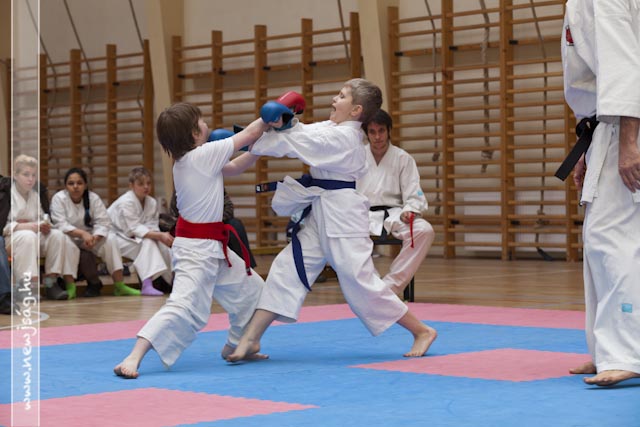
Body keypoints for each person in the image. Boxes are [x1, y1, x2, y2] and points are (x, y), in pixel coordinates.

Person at [227, 79, 437, 362]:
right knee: (287, 269)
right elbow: (302, 132)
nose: (334, 99)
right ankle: (251, 339)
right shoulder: (331, 128)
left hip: (343, 216)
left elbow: (300, 142)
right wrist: (279, 123)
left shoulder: (345, 138)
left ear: (356, 110)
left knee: (359, 283)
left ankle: (422, 330)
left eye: (341, 96)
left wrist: (247, 138)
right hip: (321, 210)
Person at [113, 102, 269, 379]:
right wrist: (272, 116)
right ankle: (133, 356)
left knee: (253, 291)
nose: (207, 124)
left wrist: (259, 148)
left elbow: (234, 167)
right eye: (202, 121)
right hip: (196, 251)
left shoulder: (190, 160)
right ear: (195, 133)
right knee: (183, 307)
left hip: (213, 247)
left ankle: (236, 345)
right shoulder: (202, 155)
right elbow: (248, 134)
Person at [562, 0, 640, 386]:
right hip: (604, 129)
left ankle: (626, 353)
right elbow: (589, 81)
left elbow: (624, 66)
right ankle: (604, 351)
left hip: (624, 126)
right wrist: (585, 149)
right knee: (598, 241)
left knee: (612, 239)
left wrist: (629, 143)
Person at [357, 109, 435, 296]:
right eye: (372, 132)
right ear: (366, 133)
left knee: (424, 231)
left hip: (394, 213)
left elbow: (413, 192)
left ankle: (390, 287)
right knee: (341, 233)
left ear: (389, 130)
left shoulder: (403, 158)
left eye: (381, 131)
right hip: (362, 214)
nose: (377, 137)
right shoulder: (356, 157)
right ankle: (371, 285)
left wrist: (410, 210)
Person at [50, 167, 140, 298]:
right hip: (69, 237)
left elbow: (103, 222)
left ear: (85, 185)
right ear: (65, 186)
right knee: (66, 244)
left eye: (79, 183)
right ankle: (70, 287)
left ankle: (119, 285)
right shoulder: (59, 199)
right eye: (71, 183)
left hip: (91, 238)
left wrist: (95, 238)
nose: (75, 187)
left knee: (111, 240)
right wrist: (82, 234)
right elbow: (60, 224)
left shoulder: (93, 198)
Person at [3, 155, 78, 301]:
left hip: (32, 236)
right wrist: (24, 226)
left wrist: (45, 225)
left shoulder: (35, 195)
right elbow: (3, 227)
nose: (30, 179)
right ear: (15, 175)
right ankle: (25, 286)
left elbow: (42, 218)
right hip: (10, 240)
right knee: (27, 236)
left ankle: (51, 283)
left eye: (33, 175)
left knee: (57, 235)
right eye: (26, 174)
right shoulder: (5, 194)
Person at [108, 167, 174, 296]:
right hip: (114, 237)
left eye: (148, 183)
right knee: (148, 243)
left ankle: (173, 281)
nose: (146, 187)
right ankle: (147, 284)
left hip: (134, 237)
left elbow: (152, 226)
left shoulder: (151, 202)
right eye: (141, 184)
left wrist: (158, 236)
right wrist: (159, 235)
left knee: (162, 246)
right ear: (131, 186)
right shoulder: (126, 202)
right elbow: (132, 229)